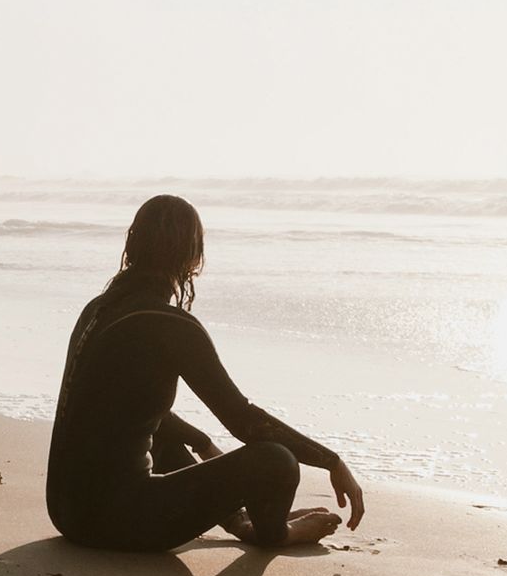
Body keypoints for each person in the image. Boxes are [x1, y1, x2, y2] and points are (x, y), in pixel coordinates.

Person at [46, 195, 364, 551]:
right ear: (193, 257)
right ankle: (276, 534)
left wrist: (200, 441)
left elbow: (124, 407)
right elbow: (245, 421)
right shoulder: (170, 325)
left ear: (132, 244)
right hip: (122, 523)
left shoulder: (97, 310)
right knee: (276, 460)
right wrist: (331, 461)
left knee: (158, 434)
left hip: (67, 513)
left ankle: (239, 520)